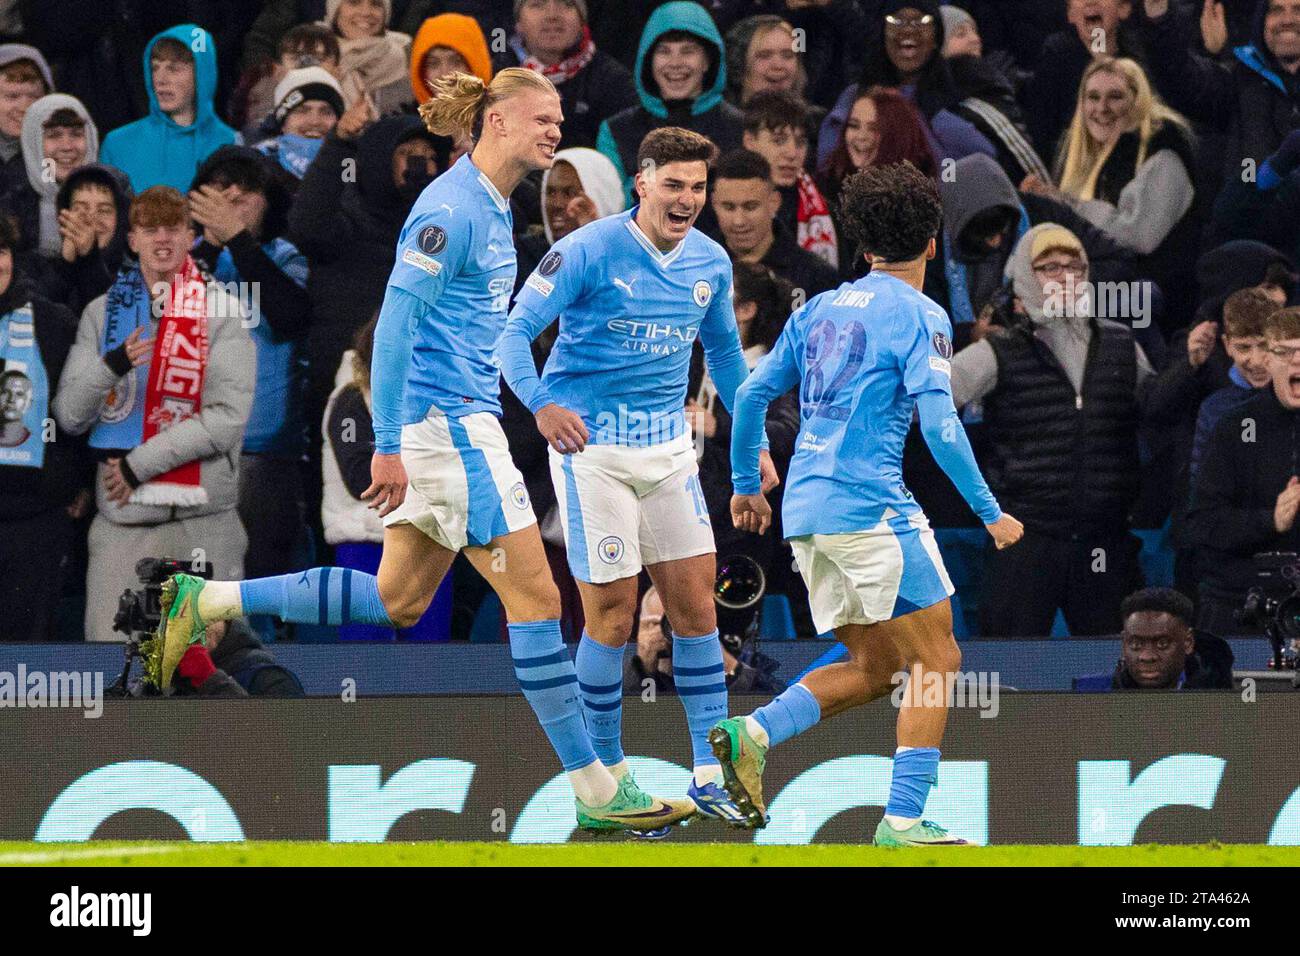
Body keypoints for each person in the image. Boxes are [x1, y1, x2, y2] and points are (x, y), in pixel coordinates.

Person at [155, 68, 695, 835]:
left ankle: (204, 601)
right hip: (453, 433)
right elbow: (397, 325)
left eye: (556, 119)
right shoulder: (450, 208)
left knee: (396, 597)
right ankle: (598, 788)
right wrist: (388, 445)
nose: (554, 130)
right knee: (538, 604)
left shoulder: (488, 202)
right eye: (541, 118)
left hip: (451, 430)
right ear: (497, 122)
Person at [713, 160, 1023, 844]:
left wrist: (743, 485)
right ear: (934, 242)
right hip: (872, 508)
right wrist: (987, 511)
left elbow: (751, 395)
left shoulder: (817, 307)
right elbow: (941, 424)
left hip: (807, 514)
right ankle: (904, 820)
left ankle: (753, 731)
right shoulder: (922, 314)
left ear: (861, 244)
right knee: (939, 660)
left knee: (879, 666)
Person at [497, 126, 779, 824]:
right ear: (642, 184)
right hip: (592, 454)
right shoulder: (587, 250)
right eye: (674, 185)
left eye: (697, 188)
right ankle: (606, 783)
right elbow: (510, 334)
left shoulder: (710, 261)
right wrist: (541, 406)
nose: (687, 199)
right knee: (614, 615)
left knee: (697, 613)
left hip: (669, 453)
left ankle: (710, 774)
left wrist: (750, 453)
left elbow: (728, 362)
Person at [52, 186, 254, 644]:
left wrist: (136, 465)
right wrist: (112, 366)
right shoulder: (102, 314)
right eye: (149, 229)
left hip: (205, 524)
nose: (162, 240)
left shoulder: (222, 310)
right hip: (123, 525)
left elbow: (225, 418)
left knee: (207, 678)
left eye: (173, 228)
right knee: (116, 675)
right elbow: (68, 415)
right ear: (132, 239)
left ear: (190, 236)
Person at [951, 224, 1153, 637]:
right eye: (1049, 268)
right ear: (1025, 276)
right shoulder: (999, 349)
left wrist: (1192, 366)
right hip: (1026, 538)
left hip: (1105, 538)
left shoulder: (1120, 343)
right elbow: (927, 398)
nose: (1064, 277)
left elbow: (1160, 406)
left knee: (1117, 675)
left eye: (1074, 267)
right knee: (1009, 674)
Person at [187, 147, 313, 591]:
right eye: (219, 196)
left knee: (261, 591)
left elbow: (291, 317)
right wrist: (207, 247)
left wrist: (239, 241)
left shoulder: (284, 255)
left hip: (265, 455)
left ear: (268, 201)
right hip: (190, 454)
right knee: (192, 596)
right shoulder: (186, 262)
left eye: (243, 198)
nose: (229, 209)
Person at [1023, 55, 1199, 332]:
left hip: (1155, 304)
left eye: (1115, 97)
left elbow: (1139, 236)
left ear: (1137, 100)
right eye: (1093, 97)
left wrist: (1066, 206)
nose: (1102, 108)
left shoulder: (1163, 150)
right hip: (1100, 289)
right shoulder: (1079, 156)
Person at [1186, 307, 1300, 634]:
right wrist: (1271, 520)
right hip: (1242, 606)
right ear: (1268, 359)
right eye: (1285, 351)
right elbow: (1203, 523)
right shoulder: (1234, 428)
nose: (1296, 361)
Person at [0, 214, 87, 642]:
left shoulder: (52, 323)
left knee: (28, 660)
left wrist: (77, 480)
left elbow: (77, 413)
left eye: (0, 251)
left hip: (35, 515)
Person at [816, 1, 998, 171]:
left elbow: (985, 161)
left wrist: (928, 117)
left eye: (922, 21)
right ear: (883, 35)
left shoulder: (962, 95)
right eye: (896, 21)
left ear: (936, 37)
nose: (908, 30)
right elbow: (828, 167)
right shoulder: (855, 97)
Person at [595, 1, 743, 204]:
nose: (675, 63)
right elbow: (612, 210)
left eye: (688, 51)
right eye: (664, 51)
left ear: (708, 61)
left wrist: (723, 169)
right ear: (648, 61)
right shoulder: (616, 131)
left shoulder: (741, 128)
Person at [1139, 0, 1300, 179]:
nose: (1287, 20)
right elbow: (1181, 79)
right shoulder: (1240, 82)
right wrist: (1158, 14)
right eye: (1276, 10)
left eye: (1298, 10)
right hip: (1251, 204)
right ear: (1262, 21)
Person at [98, 25, 239, 193]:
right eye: (155, 68)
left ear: (202, 74)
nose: (160, 79)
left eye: (174, 69)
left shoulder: (229, 143)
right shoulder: (117, 144)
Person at [496, 0, 637, 151]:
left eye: (567, 4)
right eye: (537, 4)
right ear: (518, 21)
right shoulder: (494, 77)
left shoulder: (614, 82)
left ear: (582, 20)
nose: (552, 15)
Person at [1025, 0, 1147, 161]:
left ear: (1123, 8)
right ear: (1070, 13)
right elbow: (1041, 132)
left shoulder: (1141, 56)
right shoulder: (1056, 58)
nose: (1090, 2)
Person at [710, 149, 838, 298]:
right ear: (714, 202)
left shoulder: (816, 277)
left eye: (751, 207)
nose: (739, 221)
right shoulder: (693, 265)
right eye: (729, 207)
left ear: (774, 202)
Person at [622, 586, 787, 696]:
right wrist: (642, 669)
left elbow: (777, 705)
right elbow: (613, 723)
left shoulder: (744, 662)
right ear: (640, 629)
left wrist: (727, 665)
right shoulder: (624, 677)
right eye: (657, 624)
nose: (672, 632)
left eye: (680, 622)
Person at [741, 91, 838, 271]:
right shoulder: (726, 204)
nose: (792, 153)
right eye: (779, 141)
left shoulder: (829, 214)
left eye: (800, 143)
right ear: (749, 141)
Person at [1189, 286, 1275, 483]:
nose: (1256, 360)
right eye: (1244, 347)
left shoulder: (1293, 399)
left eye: (1265, 346)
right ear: (1227, 345)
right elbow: (1201, 485)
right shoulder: (1214, 409)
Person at [38, 164, 133, 316]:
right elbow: (38, 320)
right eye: (80, 209)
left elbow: (108, 320)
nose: (91, 219)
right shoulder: (40, 267)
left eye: (104, 210)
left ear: (122, 218)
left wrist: (90, 256)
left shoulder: (139, 275)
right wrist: (65, 265)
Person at [10, 94, 98, 259]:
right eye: (54, 135)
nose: (67, 147)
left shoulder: (112, 190)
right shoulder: (9, 195)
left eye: (76, 134)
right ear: (34, 141)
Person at [1111, 586, 1235, 689]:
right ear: (1124, 643)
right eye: (1136, 644)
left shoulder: (1223, 705)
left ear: (1188, 642)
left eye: (1162, 643)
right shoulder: (1102, 704)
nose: (1147, 657)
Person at [324, 0, 415, 116]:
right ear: (335, 11)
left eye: (376, 4)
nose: (366, 12)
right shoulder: (312, 60)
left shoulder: (408, 59)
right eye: (354, 3)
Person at [254, 67, 346, 179]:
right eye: (302, 111)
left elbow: (353, 192)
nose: (314, 121)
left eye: (326, 112)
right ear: (283, 123)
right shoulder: (256, 162)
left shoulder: (351, 163)